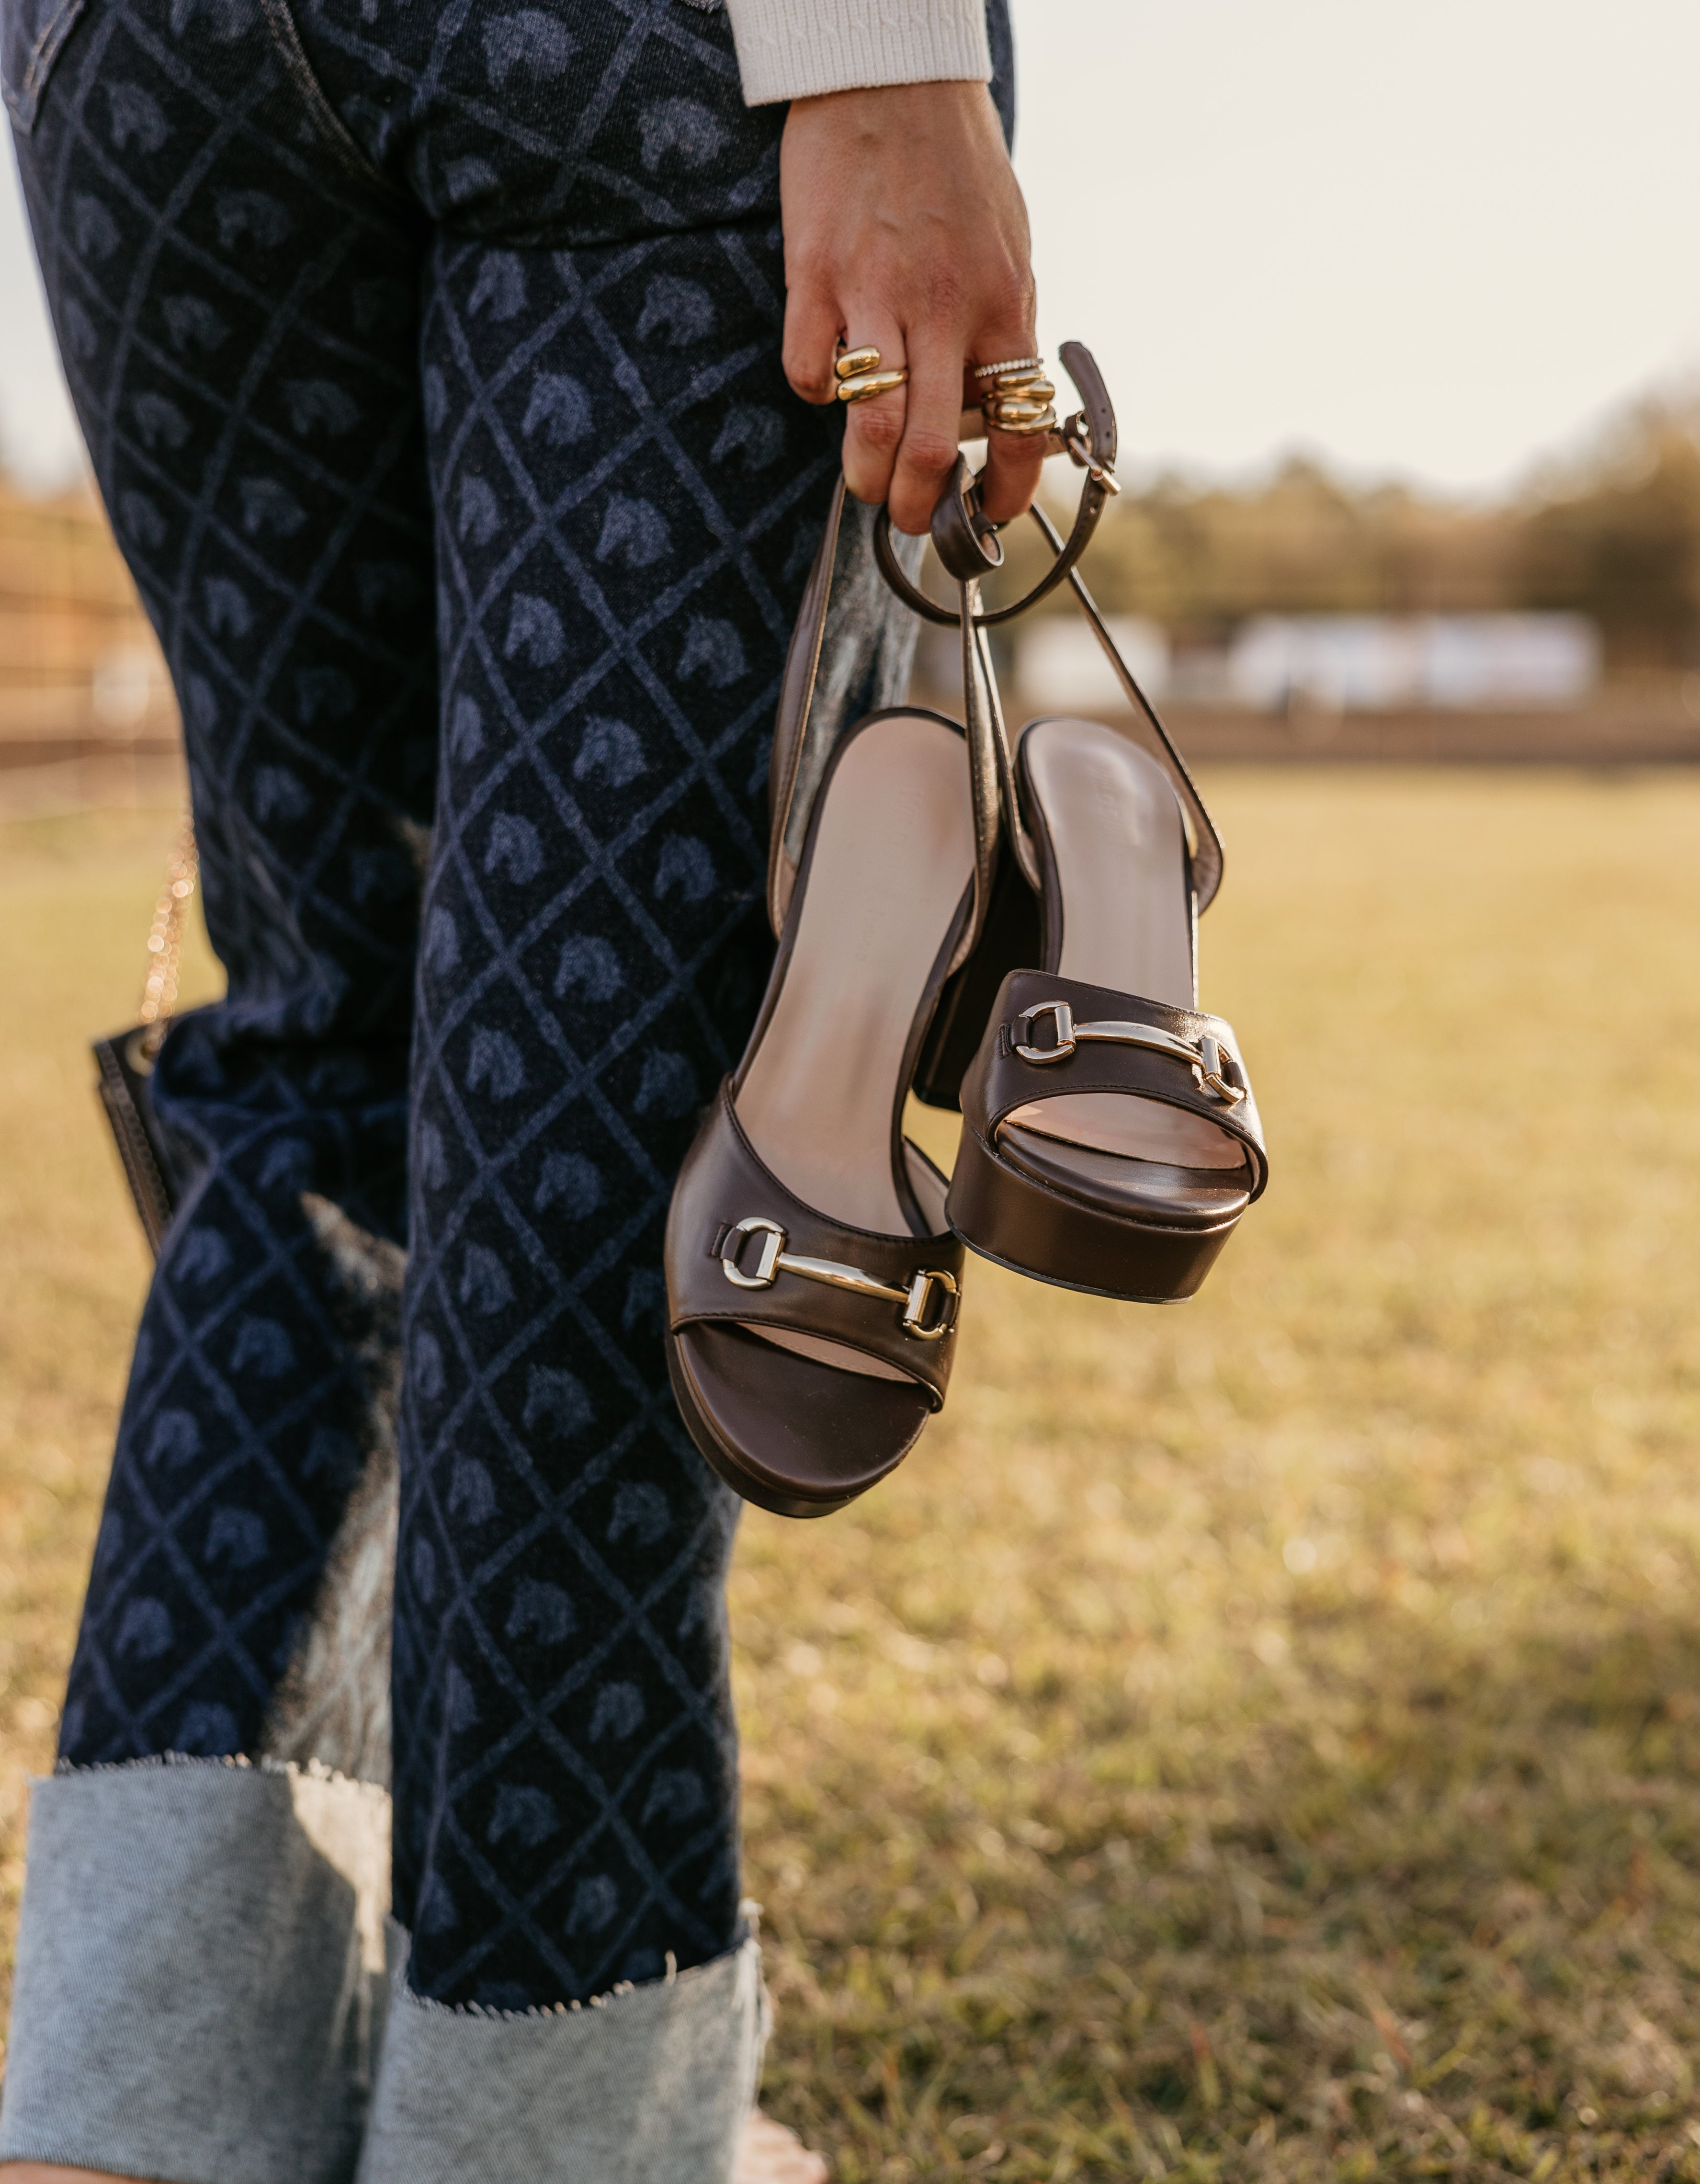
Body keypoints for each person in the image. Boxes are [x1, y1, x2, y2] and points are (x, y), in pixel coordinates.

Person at [0, 0, 1043, 2171]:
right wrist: (885, 53)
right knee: (586, 1130)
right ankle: (557, 2130)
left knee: (317, 1054)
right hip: (610, 40)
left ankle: (139, 2117)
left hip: (124, 60)